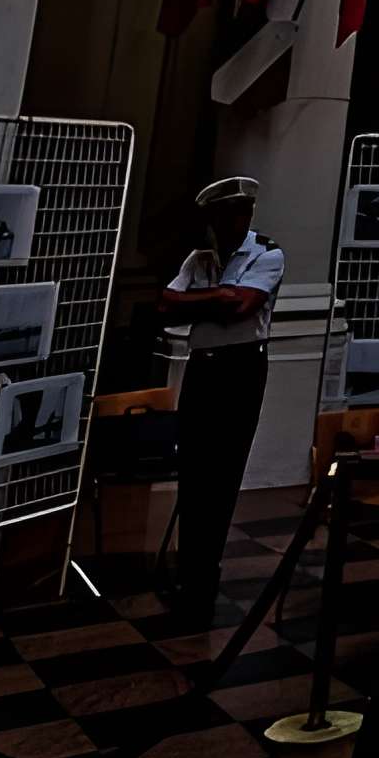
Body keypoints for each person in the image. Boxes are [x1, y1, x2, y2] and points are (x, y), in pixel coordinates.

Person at [158, 174, 286, 615]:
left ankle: (204, 572)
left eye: (241, 213)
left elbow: (242, 308)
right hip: (203, 368)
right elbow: (165, 306)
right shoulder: (200, 258)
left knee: (223, 471)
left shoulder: (267, 253)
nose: (234, 221)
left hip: (240, 369)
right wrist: (219, 295)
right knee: (194, 469)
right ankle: (189, 567)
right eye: (225, 214)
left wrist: (198, 300)